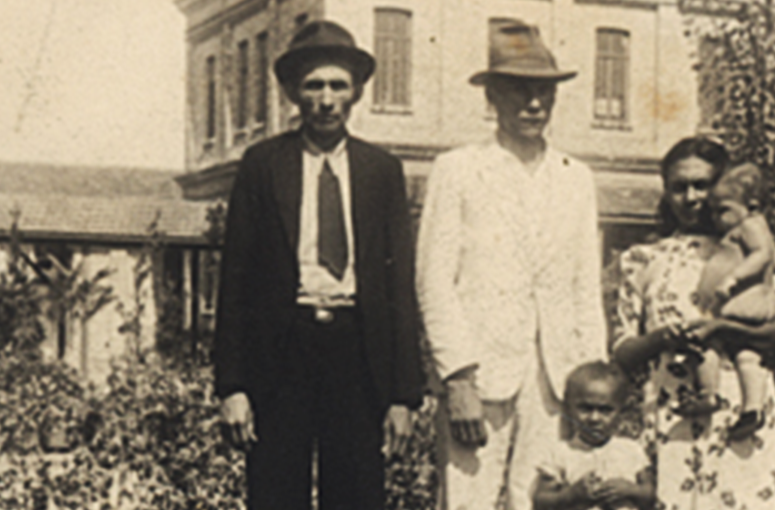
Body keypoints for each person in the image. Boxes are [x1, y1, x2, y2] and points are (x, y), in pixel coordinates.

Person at [212, 19, 423, 510]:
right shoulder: (263, 165)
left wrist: (403, 395)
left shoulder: (381, 171)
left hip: (357, 355)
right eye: (313, 86)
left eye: (337, 86)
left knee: (356, 496)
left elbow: (398, 289)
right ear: (292, 92)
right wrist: (233, 387)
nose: (326, 99)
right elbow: (235, 282)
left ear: (356, 93)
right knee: (274, 494)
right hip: (280, 355)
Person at [416, 18, 607, 510]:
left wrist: (592, 380)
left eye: (544, 91)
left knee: (543, 501)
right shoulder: (457, 170)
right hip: (482, 375)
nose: (534, 103)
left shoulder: (576, 178)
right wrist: (457, 377)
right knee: (467, 501)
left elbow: (587, 285)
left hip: (555, 378)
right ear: (492, 97)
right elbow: (433, 280)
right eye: (518, 90)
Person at [611, 137, 775, 510]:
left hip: (742, 411)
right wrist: (664, 337)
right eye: (679, 187)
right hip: (673, 413)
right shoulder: (644, 259)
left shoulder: (747, 250)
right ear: (666, 192)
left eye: (702, 184)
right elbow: (622, 351)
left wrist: (726, 331)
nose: (692, 197)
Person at [679, 161, 775, 442]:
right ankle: (752, 410)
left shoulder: (750, 226)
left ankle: (708, 393)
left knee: (707, 341)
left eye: (723, 210)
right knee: (747, 357)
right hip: (755, 306)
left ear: (752, 206)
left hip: (741, 305)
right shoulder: (756, 227)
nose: (717, 219)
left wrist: (733, 278)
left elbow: (762, 255)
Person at [531, 361, 655, 510]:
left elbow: (652, 494)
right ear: (569, 409)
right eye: (585, 408)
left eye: (605, 410)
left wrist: (630, 490)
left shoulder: (631, 450)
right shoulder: (560, 453)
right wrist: (571, 495)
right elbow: (540, 501)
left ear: (621, 413)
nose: (594, 418)